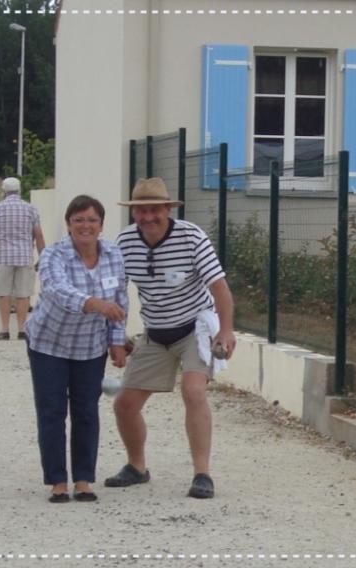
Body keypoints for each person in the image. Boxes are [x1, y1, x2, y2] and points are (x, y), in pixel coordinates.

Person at [105, 177, 237, 499]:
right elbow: (117, 293)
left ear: (167, 209)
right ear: (133, 213)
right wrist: (116, 338)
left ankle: (202, 474)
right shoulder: (125, 242)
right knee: (124, 405)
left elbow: (219, 287)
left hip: (194, 327)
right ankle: (137, 467)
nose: (148, 217)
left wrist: (226, 329)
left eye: (155, 210)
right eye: (141, 211)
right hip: (155, 331)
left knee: (194, 392)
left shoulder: (191, 237)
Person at [24, 195, 128, 503]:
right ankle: (57, 480)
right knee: (52, 411)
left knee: (86, 412)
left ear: (101, 225)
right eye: (79, 220)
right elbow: (56, 289)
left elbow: (120, 299)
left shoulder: (113, 254)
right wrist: (94, 303)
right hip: (49, 344)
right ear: (68, 224)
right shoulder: (53, 254)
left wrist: (117, 340)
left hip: (90, 347)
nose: (86, 226)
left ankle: (83, 479)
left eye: (92, 220)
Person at [0, 177, 46, 340]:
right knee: (23, 294)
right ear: (19, 190)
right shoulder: (31, 209)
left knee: (3, 293)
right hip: (25, 256)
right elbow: (38, 235)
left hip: (3, 257)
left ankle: (4, 329)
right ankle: (22, 329)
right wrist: (43, 256)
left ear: (4, 191)